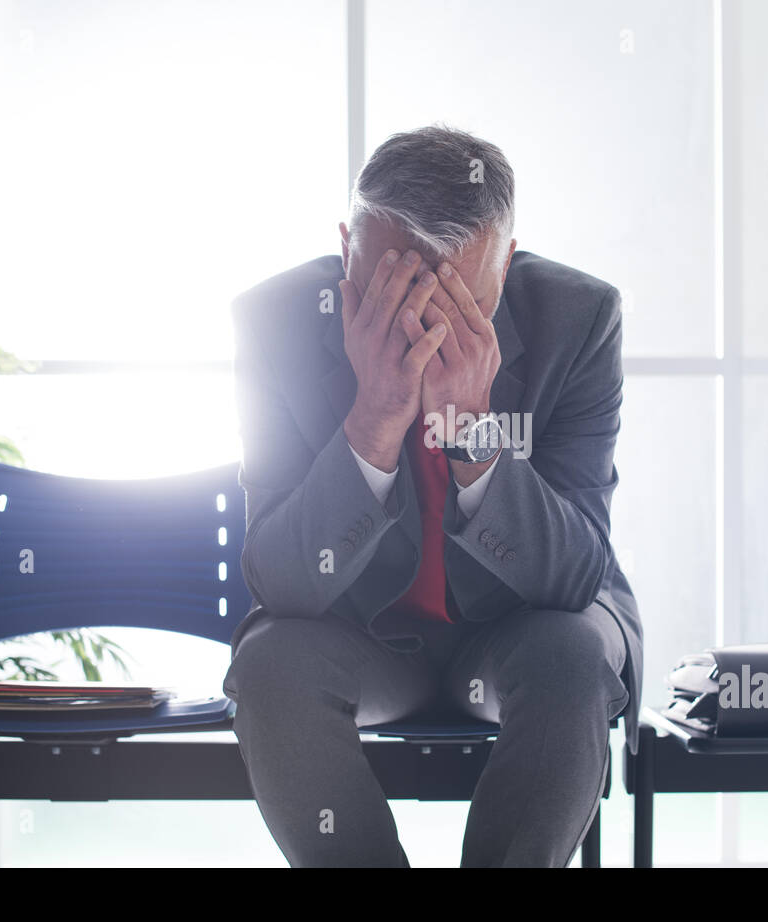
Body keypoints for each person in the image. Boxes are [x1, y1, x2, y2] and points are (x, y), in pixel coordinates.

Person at [222, 125, 642, 867]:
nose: (419, 327)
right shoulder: (278, 322)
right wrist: (373, 423)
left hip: (524, 630)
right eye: (389, 292)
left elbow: (574, 576)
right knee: (269, 664)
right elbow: (282, 580)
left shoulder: (578, 322)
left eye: (456, 301)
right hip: (361, 636)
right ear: (346, 245)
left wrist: (474, 433)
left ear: (505, 265)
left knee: (574, 656)